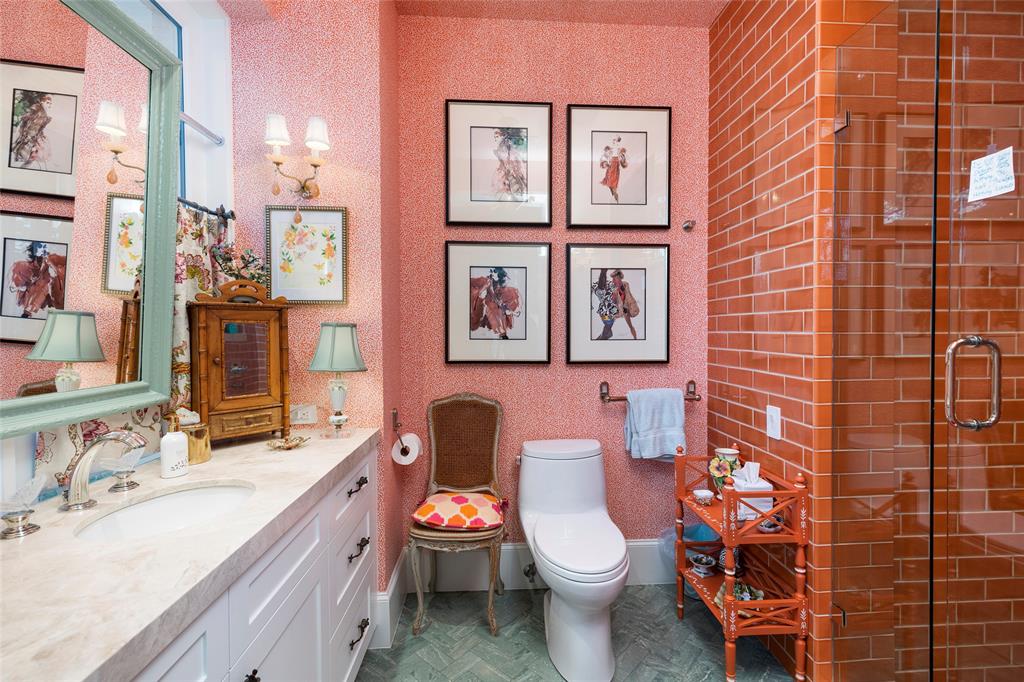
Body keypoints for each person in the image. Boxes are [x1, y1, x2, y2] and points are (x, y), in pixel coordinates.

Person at [8, 241, 66, 318]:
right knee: (42, 284)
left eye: (44, 249)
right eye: (39, 250)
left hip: (48, 298)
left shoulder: (50, 260)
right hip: (29, 300)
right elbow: (12, 287)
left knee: (45, 284)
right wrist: (24, 286)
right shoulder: (21, 266)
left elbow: (64, 261)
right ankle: (28, 312)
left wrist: (52, 265)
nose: (42, 254)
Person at [592, 268, 639, 340]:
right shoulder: (612, 288)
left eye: (615, 279)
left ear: (620, 279)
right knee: (608, 324)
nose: (613, 281)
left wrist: (630, 307)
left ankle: (636, 340)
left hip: (623, 309)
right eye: (612, 279)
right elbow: (601, 286)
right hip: (611, 311)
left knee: (630, 326)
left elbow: (629, 297)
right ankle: (604, 336)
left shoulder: (626, 284)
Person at [599, 136, 628, 203]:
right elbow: (603, 158)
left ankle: (615, 197)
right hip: (610, 167)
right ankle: (614, 197)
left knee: (614, 183)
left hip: (616, 168)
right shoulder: (609, 150)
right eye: (614, 141)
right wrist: (605, 163)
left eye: (617, 141)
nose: (615, 143)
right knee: (609, 182)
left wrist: (622, 160)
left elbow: (624, 160)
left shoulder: (620, 150)